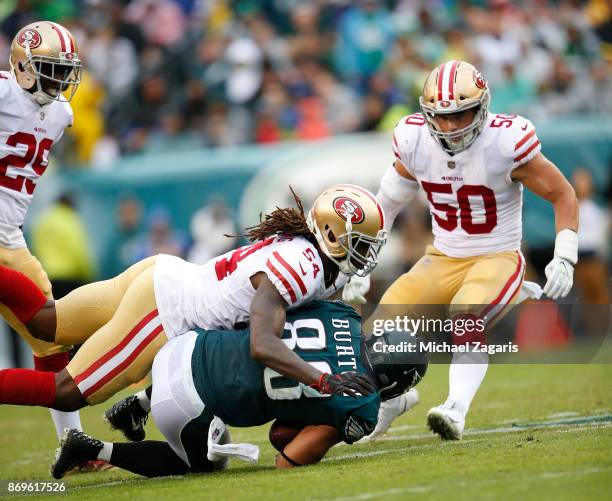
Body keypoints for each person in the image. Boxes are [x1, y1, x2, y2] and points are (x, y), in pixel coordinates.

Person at [0, 185, 387, 417]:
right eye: (361, 245)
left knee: (44, 321)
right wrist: (323, 381)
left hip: (164, 274)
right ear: (334, 237)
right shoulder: (305, 267)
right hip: (162, 311)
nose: (365, 255)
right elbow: (261, 343)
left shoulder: (306, 250)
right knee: (67, 392)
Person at [343, 60, 578, 440]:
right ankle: (393, 400)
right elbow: (385, 203)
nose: (450, 126)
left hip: (496, 256)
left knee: (465, 312)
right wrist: (362, 262)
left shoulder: (506, 141)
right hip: (442, 256)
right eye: (441, 116)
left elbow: (562, 192)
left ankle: (456, 408)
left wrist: (565, 253)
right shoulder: (414, 138)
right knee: (381, 328)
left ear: (482, 107)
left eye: (461, 114)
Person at [50, 300, 428, 478]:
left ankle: (139, 402)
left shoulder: (341, 312)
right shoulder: (362, 404)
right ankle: (93, 447)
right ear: (393, 383)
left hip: (185, 345)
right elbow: (289, 456)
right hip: (186, 402)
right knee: (201, 464)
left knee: (237, 354)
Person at [0, 21, 89, 449]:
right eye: (50, 68)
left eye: (64, 70)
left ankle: (74, 444)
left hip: (12, 242)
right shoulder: (2, 92)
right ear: (22, 66)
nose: (60, 79)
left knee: (53, 338)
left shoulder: (61, 113)